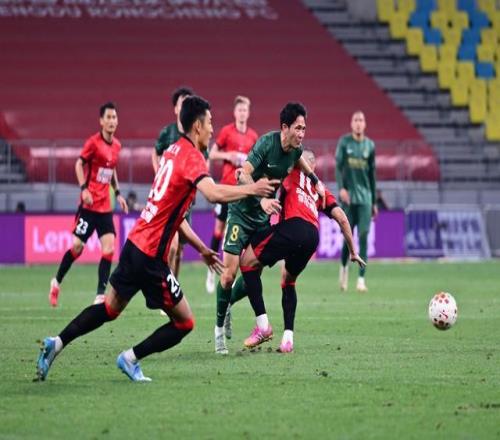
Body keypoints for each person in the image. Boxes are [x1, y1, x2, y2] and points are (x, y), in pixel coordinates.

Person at [35, 96, 278, 382]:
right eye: (210, 123)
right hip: (151, 257)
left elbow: (173, 216)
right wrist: (253, 189)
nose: (212, 129)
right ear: (197, 126)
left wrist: (201, 248)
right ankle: (130, 358)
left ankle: (56, 343)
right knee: (185, 322)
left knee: (109, 309)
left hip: (135, 244)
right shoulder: (191, 157)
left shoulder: (172, 151)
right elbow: (213, 194)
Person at [214, 102, 326, 355]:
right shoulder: (267, 143)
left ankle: (236, 309)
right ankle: (219, 330)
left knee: (253, 268)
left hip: (261, 218)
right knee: (229, 275)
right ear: (284, 128)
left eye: (304, 128)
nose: (302, 133)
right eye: (298, 128)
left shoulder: (295, 151)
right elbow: (242, 174)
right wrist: (261, 199)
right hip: (241, 212)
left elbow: (301, 161)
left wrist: (315, 181)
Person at [233, 150, 365, 352]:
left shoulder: (292, 169)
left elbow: (280, 159)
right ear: (314, 167)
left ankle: (263, 326)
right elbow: (342, 218)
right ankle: (288, 339)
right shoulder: (321, 189)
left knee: (247, 262)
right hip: (312, 237)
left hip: (293, 227)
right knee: (288, 280)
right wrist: (353, 251)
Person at [48, 102, 128, 307]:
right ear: (101, 121)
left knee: (109, 248)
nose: (112, 121)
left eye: (114, 117)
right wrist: (84, 189)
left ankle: (100, 295)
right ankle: (56, 281)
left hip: (105, 208)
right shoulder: (93, 143)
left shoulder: (117, 146)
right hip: (89, 207)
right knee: (77, 247)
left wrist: (118, 193)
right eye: (108, 117)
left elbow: (112, 170)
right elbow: (78, 164)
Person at [205, 95, 258, 294]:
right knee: (219, 230)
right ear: (235, 112)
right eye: (240, 110)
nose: (242, 113)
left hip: (242, 191)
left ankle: (233, 272)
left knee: (241, 232)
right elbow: (212, 153)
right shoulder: (227, 132)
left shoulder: (253, 136)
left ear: (248, 113)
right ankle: (211, 271)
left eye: (245, 110)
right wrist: (228, 155)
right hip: (226, 189)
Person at [152, 86, 194, 279]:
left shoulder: (194, 135)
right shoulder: (167, 133)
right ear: (176, 109)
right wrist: (159, 175)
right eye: (182, 104)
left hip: (185, 201)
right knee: (172, 246)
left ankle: (173, 283)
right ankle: (167, 286)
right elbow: (155, 152)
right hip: (168, 200)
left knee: (179, 251)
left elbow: (203, 161)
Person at [335, 111, 377, 292]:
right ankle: (344, 268)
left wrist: (374, 201)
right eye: (356, 120)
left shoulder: (370, 145)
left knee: (364, 236)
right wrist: (341, 188)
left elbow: (372, 175)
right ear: (351, 124)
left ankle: (361, 279)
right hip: (349, 199)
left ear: (365, 124)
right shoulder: (344, 143)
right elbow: (338, 167)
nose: (358, 123)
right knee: (348, 236)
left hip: (365, 198)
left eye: (361, 120)